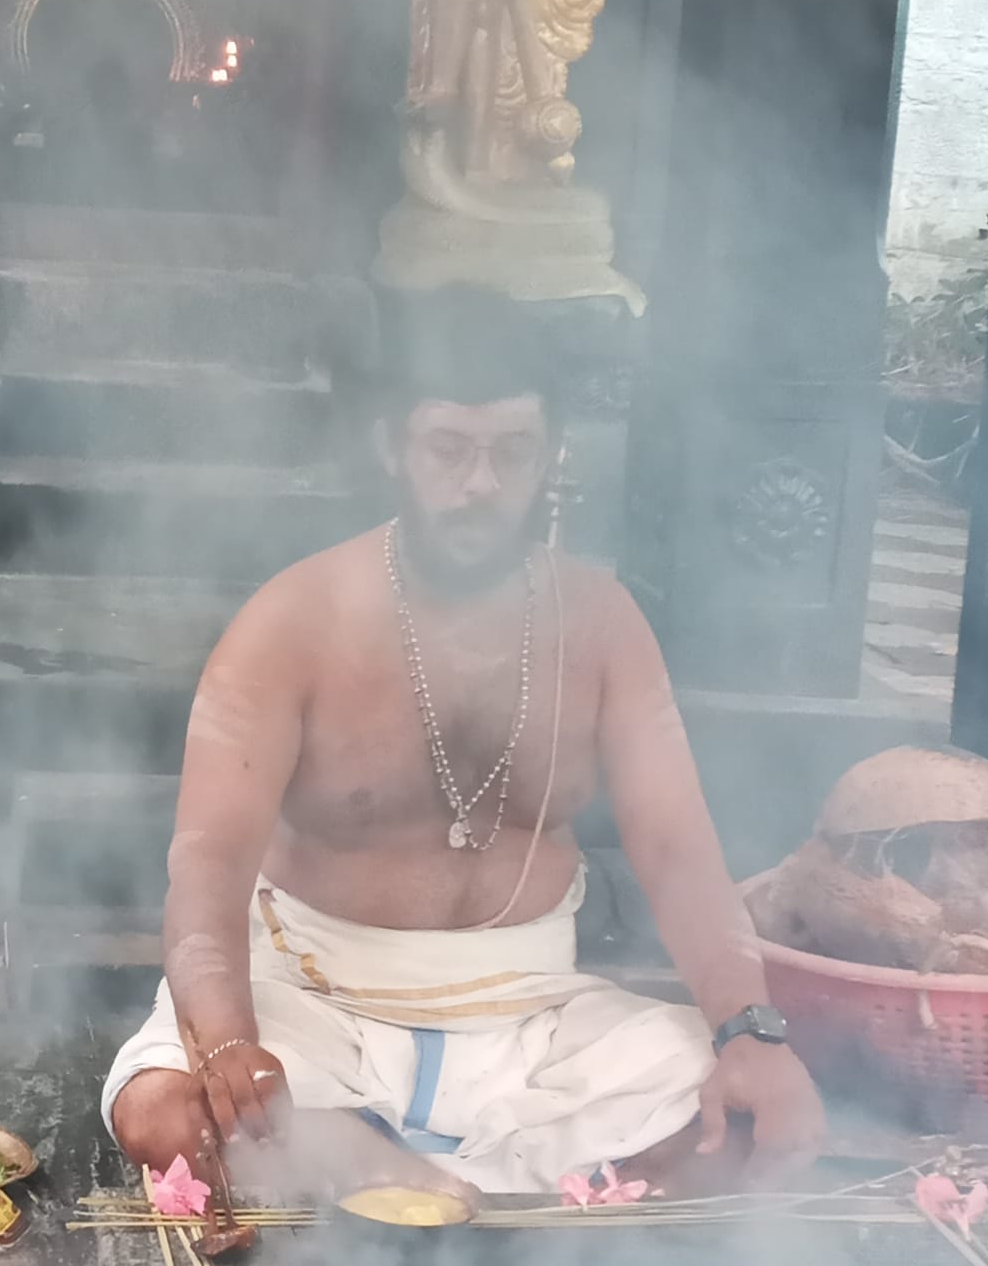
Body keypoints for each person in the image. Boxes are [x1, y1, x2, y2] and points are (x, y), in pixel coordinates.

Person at [104, 292, 825, 1200]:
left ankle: (420, 1193)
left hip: (532, 1021)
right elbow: (206, 864)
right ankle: (432, 1184)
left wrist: (750, 1032)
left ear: (550, 456)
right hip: (320, 1006)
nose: (480, 483)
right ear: (393, 449)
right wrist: (232, 1042)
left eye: (512, 451)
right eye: (449, 449)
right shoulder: (293, 620)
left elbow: (677, 848)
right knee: (165, 1110)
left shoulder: (601, 623)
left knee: (744, 1107)